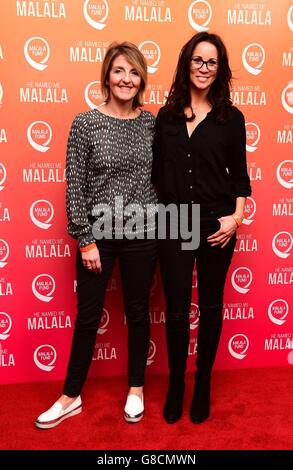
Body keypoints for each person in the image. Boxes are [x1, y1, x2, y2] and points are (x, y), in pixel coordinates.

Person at [35, 42, 158, 428]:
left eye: (134, 72)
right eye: (120, 70)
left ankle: (136, 388)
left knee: (138, 312)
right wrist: (85, 238)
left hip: (144, 231)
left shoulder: (152, 123)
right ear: (107, 75)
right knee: (88, 316)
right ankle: (70, 396)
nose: (126, 79)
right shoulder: (84, 123)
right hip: (98, 234)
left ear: (141, 79)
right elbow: (75, 187)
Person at [152, 32, 251, 424]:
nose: (203, 68)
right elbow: (156, 174)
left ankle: (203, 380)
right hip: (175, 221)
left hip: (216, 223)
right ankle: (177, 383)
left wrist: (236, 217)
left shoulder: (232, 118)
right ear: (186, 63)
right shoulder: (166, 116)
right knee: (176, 312)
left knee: (210, 306)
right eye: (197, 60)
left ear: (220, 68)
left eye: (211, 62)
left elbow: (240, 176)